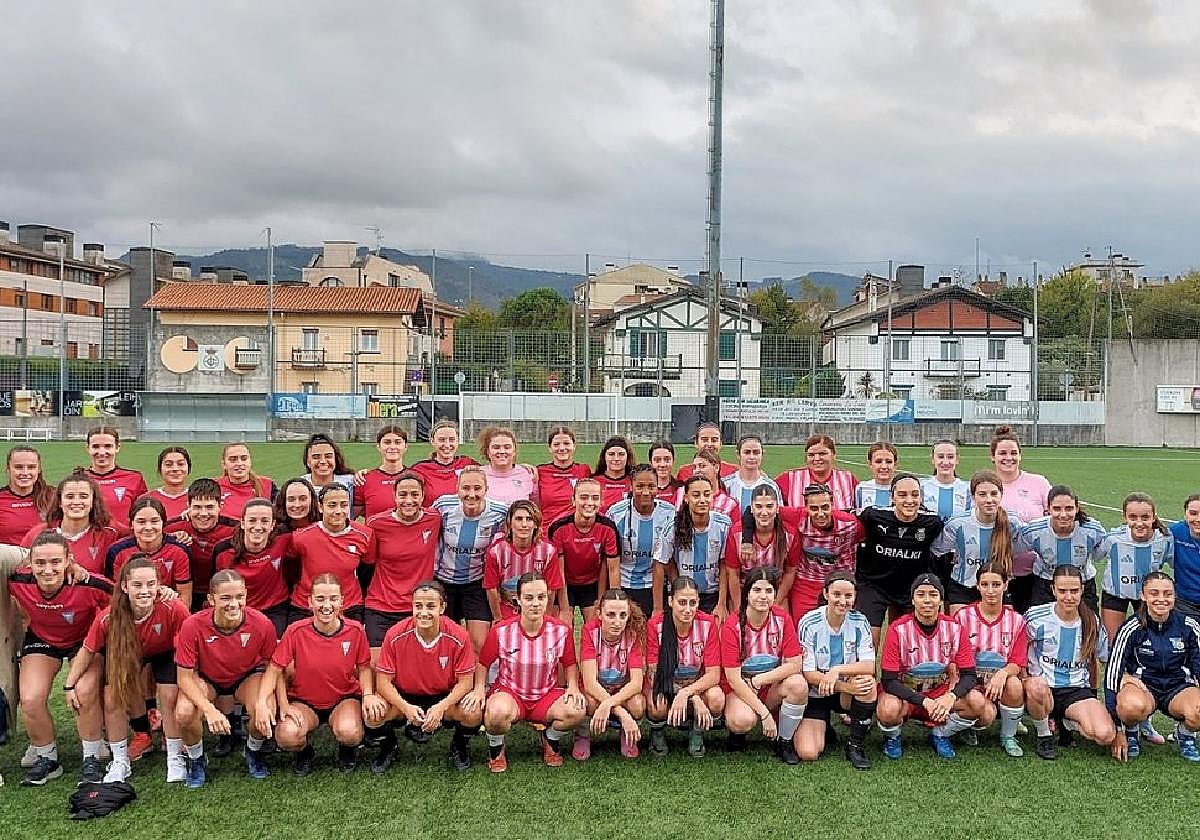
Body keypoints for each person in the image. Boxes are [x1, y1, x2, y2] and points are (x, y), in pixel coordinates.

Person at [66, 557, 191, 783]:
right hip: (130, 653)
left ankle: (174, 756)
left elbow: (191, 643)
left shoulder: (173, 607)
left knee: (169, 693)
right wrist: (69, 684)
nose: (145, 591)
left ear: (159, 585)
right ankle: (120, 760)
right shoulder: (109, 616)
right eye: (137, 585)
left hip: (164, 652)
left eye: (151, 584)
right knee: (112, 696)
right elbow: (87, 650)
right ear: (125, 587)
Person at [8, 532, 111, 785]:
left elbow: (123, 599)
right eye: (40, 563)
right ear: (29, 563)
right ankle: (47, 758)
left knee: (85, 691)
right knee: (31, 698)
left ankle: (92, 756)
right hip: (43, 640)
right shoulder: (17, 580)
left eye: (55, 561)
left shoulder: (91, 584)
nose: (47, 569)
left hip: (84, 643)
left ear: (69, 561)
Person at [465, 572, 585, 773]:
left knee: (577, 709)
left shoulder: (561, 630)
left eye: (541, 597)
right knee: (496, 713)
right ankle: (496, 747)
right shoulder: (502, 631)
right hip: (511, 694)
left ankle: (550, 738)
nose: (535, 604)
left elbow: (570, 663)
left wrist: (573, 686)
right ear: (518, 600)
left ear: (547, 598)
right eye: (529, 598)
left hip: (545, 696)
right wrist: (478, 689)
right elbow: (483, 663)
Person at [262, 574, 381, 775]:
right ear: (310, 602)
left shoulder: (355, 630)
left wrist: (368, 694)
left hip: (343, 699)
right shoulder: (295, 631)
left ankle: (347, 749)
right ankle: (304, 751)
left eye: (333, 599)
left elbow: (363, 668)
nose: (327, 605)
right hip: (305, 701)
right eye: (320, 599)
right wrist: (282, 705)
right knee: (287, 736)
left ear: (342, 601)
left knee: (349, 732)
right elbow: (275, 670)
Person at [173, 570, 277, 787]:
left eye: (239, 597)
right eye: (226, 598)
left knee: (265, 707)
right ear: (211, 599)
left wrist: (261, 702)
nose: (234, 604)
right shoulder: (192, 625)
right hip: (207, 679)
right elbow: (184, 678)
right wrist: (209, 710)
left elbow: (273, 667)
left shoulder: (261, 623)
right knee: (184, 712)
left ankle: (253, 751)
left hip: (246, 677)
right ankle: (197, 759)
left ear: (246, 596)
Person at [372, 580, 481, 773]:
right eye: (418, 606)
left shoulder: (458, 635)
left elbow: (465, 683)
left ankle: (459, 745)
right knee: (373, 713)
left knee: (472, 713)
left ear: (442, 607)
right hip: (405, 696)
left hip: (443, 696)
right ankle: (389, 746)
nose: (423, 612)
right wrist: (405, 708)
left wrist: (441, 707)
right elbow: (382, 682)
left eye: (430, 606)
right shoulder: (395, 634)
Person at [876, 574, 987, 760]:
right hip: (907, 693)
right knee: (887, 709)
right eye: (920, 594)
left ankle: (941, 733)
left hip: (940, 694)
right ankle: (892, 738)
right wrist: (923, 701)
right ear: (913, 599)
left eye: (933, 594)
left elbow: (969, 675)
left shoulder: (955, 628)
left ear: (941, 600)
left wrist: (951, 697)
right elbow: (888, 681)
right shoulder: (897, 629)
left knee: (977, 703)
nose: (927, 600)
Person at [1106, 572, 1200, 762]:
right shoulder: (1131, 627)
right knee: (1131, 707)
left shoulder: (1189, 626)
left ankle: (1185, 734)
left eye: (1167, 594)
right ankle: (1131, 730)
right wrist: (1117, 728)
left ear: (1174, 596)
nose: (1161, 599)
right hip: (1143, 687)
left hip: (1178, 687)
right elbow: (1112, 674)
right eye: (1154, 593)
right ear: (1143, 596)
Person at [1024, 565, 1115, 760]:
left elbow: (1097, 660)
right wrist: (1025, 679)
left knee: (1105, 735)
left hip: (1075, 690)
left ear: (1082, 590)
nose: (1068, 597)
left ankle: (1065, 722)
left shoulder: (1091, 621)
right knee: (1037, 686)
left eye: (1074, 591)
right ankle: (1044, 735)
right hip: (1042, 687)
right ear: (1053, 590)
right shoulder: (1035, 617)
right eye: (1063, 591)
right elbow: (1019, 651)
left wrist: (1093, 694)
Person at [721, 569, 807, 764]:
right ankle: (737, 734)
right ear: (747, 594)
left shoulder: (782, 618)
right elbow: (733, 679)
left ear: (775, 594)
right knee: (742, 720)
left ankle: (784, 741)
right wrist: (765, 714)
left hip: (767, 687)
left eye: (768, 591)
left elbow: (795, 663)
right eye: (757, 590)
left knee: (798, 684)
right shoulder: (732, 625)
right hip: (741, 688)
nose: (763, 596)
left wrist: (761, 679)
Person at [796, 572, 877, 769]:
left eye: (848, 596)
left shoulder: (860, 622)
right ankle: (824, 726)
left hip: (842, 693)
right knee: (808, 753)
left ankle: (855, 745)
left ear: (855, 597)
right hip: (816, 692)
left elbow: (869, 665)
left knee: (867, 684)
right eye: (837, 594)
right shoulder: (809, 622)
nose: (842, 601)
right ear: (825, 594)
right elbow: (808, 673)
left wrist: (836, 670)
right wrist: (841, 684)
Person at [855, 473, 945, 645]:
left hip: (909, 588)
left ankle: (899, 672)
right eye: (902, 495)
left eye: (915, 494)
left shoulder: (932, 522)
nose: (909, 500)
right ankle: (867, 672)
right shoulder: (873, 516)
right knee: (869, 640)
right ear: (892, 497)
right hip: (874, 585)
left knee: (907, 641)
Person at [953, 561, 1028, 757]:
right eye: (985, 584)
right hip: (969, 683)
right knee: (986, 716)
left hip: (999, 683)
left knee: (1014, 684)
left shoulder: (1017, 620)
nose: (990, 591)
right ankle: (968, 725)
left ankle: (1008, 736)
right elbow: (953, 658)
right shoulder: (963, 617)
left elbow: (1017, 663)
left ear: (1005, 585)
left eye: (996, 584)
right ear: (977, 586)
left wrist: (1002, 674)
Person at [644, 577, 725, 757]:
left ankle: (696, 731)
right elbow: (654, 675)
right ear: (670, 601)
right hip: (667, 684)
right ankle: (658, 732)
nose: (688, 609)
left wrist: (688, 693)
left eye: (692, 603)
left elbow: (713, 675)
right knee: (655, 704)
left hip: (696, 686)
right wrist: (687, 694)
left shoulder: (708, 623)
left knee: (717, 698)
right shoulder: (655, 625)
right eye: (682, 602)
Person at [432, 466, 509, 651]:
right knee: (446, 642)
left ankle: (477, 681)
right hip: (444, 582)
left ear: (486, 489)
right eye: (466, 488)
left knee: (478, 643)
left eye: (477, 488)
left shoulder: (500, 512)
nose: (471, 494)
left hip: (476, 583)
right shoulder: (443, 506)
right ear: (457, 488)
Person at [363, 471, 441, 653]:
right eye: (403, 494)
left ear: (423, 496)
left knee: (413, 664)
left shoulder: (434, 519)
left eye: (415, 495)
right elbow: (368, 561)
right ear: (394, 496)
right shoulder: (376, 523)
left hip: (417, 607)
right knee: (377, 664)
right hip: (381, 605)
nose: (409, 500)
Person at [575, 589, 647, 761]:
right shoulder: (589, 631)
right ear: (600, 615)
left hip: (620, 690)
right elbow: (590, 683)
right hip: (595, 691)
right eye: (611, 615)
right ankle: (582, 735)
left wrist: (609, 704)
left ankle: (626, 735)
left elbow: (636, 683)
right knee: (588, 702)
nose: (617, 621)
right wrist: (622, 714)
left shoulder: (633, 634)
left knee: (638, 704)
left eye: (623, 615)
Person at [931, 470, 1017, 613]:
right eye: (982, 494)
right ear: (972, 497)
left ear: (1001, 495)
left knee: (999, 632)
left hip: (997, 588)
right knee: (961, 633)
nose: (989, 499)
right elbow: (937, 550)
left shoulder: (1012, 523)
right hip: (963, 587)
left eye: (994, 494)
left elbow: (1028, 543)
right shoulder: (958, 523)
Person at [289, 485, 374, 625]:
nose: (338, 511)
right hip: (305, 606)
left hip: (349, 606)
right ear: (320, 507)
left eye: (344, 505)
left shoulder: (364, 535)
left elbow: (367, 572)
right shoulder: (301, 537)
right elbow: (290, 570)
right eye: (332, 505)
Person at [989, 425, 1051, 613]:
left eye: (1013, 453)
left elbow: (1052, 519)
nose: (1009, 458)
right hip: (997, 572)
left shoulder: (1039, 483)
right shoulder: (986, 486)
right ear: (993, 456)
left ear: (1020, 455)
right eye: (1002, 453)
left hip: (1035, 571)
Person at [1015, 485, 1105, 613]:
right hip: (1045, 583)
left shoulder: (1092, 529)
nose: (1063, 515)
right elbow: (1013, 549)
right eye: (1057, 509)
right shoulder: (1035, 530)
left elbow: (1100, 552)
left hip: (1082, 584)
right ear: (1048, 509)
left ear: (1077, 508)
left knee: (1089, 625)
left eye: (1069, 509)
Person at [779, 483, 863, 619]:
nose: (820, 514)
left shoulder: (850, 524)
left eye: (825, 507)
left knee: (840, 630)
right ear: (806, 507)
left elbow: (869, 537)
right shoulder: (798, 517)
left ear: (832, 504)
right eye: (814, 508)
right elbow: (758, 510)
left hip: (839, 583)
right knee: (803, 630)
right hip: (806, 584)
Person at [658, 475, 734, 619]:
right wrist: (677, 586)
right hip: (684, 595)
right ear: (686, 498)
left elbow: (725, 565)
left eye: (707, 494)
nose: (702, 500)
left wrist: (722, 603)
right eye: (696, 495)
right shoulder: (673, 526)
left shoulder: (723, 524)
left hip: (712, 594)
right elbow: (663, 561)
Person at [215, 499, 293, 638]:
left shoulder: (284, 538)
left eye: (264, 521)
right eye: (252, 520)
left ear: (273, 525)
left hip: (275, 610)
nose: (258, 527)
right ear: (243, 523)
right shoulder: (223, 551)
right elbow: (216, 586)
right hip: (238, 610)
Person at [607, 464, 676, 617]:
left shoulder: (670, 513)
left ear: (658, 486)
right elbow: (610, 559)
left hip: (657, 586)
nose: (645, 492)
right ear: (631, 486)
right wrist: (617, 595)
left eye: (651, 486)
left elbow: (671, 558)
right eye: (640, 486)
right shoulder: (616, 513)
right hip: (625, 584)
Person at [23, 472, 122, 576]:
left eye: (83, 496)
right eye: (70, 497)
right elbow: (21, 571)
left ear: (93, 501)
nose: (76, 502)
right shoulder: (36, 534)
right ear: (60, 502)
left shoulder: (110, 533)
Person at [547, 479, 619, 622]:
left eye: (595, 498)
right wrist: (565, 608)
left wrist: (607, 602)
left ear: (601, 501)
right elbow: (558, 570)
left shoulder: (608, 528)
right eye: (584, 497)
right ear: (573, 500)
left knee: (595, 628)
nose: (590, 503)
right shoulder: (558, 528)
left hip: (592, 584)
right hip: (565, 584)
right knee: (563, 626)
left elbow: (612, 569)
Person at [484, 500, 565, 621]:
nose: (524, 524)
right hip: (507, 609)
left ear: (536, 524)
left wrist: (544, 618)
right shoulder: (496, 551)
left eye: (529, 519)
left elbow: (551, 589)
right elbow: (491, 588)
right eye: (519, 519)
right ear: (510, 523)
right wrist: (498, 618)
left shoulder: (548, 551)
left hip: (537, 609)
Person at [165, 478, 238, 611]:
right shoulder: (173, 528)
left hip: (222, 594)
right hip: (183, 593)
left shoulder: (235, 529)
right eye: (197, 507)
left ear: (220, 506)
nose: (203, 513)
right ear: (188, 506)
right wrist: (169, 540)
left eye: (209, 507)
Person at [105, 497, 192, 608]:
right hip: (130, 612)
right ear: (131, 524)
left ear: (163, 523)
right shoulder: (117, 551)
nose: (148, 527)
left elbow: (185, 597)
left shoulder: (179, 550)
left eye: (154, 521)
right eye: (141, 521)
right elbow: (115, 596)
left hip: (167, 611)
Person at [724, 485, 798, 613]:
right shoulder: (737, 533)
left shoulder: (789, 534)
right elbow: (733, 574)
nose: (764, 512)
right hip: (744, 591)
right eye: (759, 506)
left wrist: (775, 600)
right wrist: (738, 608)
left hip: (774, 591)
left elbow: (790, 572)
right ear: (751, 508)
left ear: (777, 508)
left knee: (781, 624)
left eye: (769, 506)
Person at [83, 425, 147, 526]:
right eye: (95, 447)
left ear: (117, 447)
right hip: (90, 540)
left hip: (123, 540)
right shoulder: (78, 479)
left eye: (108, 446)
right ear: (88, 448)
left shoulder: (134, 478)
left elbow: (144, 514)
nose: (102, 452)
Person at [775, 434, 858, 511]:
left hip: (841, 527)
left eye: (822, 453)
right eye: (811, 455)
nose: (817, 458)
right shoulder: (789, 479)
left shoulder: (848, 479)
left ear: (833, 455)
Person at [533, 426, 592, 530]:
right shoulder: (540, 472)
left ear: (574, 446)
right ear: (550, 448)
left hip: (576, 533)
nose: (561, 448)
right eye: (556, 444)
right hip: (548, 533)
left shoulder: (584, 470)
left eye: (566, 443)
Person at [411, 419, 479, 502]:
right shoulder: (420, 469)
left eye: (452, 440)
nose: (447, 445)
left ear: (458, 441)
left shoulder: (468, 464)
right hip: (432, 514)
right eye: (442, 440)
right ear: (432, 442)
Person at [0, 445, 53, 545]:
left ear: (39, 469)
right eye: (18, 467)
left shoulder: (53, 496)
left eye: (31, 467)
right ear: (8, 469)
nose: (25, 472)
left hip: (45, 558)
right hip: (9, 559)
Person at [357, 426, 411, 518]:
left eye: (398, 442)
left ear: (405, 446)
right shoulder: (364, 479)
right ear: (378, 446)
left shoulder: (416, 477)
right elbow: (353, 516)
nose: (392, 447)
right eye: (387, 442)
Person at [721, 435, 781, 515]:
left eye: (756, 453)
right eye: (747, 452)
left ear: (762, 455)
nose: (752, 457)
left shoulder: (771, 486)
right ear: (738, 455)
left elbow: (778, 515)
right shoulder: (726, 484)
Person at [479, 426, 536, 504]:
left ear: (514, 451)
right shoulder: (478, 474)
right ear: (488, 451)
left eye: (507, 447)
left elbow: (535, 506)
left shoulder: (528, 474)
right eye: (496, 447)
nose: (502, 451)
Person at [216, 442, 275, 519]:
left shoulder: (267, 485)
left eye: (244, 458)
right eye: (233, 459)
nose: (239, 463)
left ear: (250, 461)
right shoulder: (215, 486)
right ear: (224, 464)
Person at [301, 433, 356, 508]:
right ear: (308, 462)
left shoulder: (351, 483)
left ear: (335, 459)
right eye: (316, 457)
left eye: (328, 456)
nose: (323, 461)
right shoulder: (300, 486)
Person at [678, 449, 739, 518]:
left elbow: (736, 527)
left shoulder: (729, 503)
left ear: (716, 468)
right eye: (695, 467)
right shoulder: (681, 494)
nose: (697, 470)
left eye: (702, 466)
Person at [921, 439, 971, 521]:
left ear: (957, 459)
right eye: (940, 457)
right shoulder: (922, 488)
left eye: (950, 457)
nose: (945, 462)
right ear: (933, 459)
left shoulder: (967, 489)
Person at [1169, 494, 1200, 620]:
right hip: (1184, 603)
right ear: (1185, 514)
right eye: (1193, 513)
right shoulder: (1175, 533)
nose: (1198, 519)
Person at [143, 447, 192, 521]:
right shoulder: (146, 499)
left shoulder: (198, 499)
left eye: (180, 464)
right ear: (160, 469)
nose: (175, 469)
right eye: (169, 464)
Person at [593, 435, 635, 511]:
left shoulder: (634, 481)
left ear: (628, 457)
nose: (616, 458)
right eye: (611, 454)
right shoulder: (593, 481)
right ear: (604, 456)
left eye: (621, 454)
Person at [853, 442, 898, 511]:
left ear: (895, 464)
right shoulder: (861, 488)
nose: (884, 466)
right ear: (870, 464)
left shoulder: (902, 489)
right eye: (878, 462)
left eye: (889, 462)